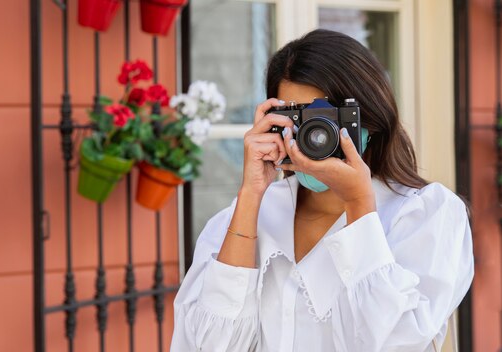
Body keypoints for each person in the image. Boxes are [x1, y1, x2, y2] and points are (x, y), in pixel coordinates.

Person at [170, 29, 474, 351]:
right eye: (297, 118)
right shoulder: (244, 217)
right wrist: (251, 194)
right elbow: (209, 345)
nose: (313, 135)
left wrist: (358, 203)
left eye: (326, 117)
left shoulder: (426, 215)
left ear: (369, 118)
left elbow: (397, 341)